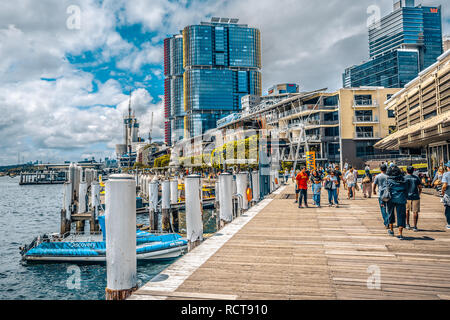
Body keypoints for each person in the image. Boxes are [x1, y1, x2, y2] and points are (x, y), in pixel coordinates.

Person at [386, 165, 408, 239]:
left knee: (390, 213)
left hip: (391, 199)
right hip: (401, 199)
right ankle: (400, 233)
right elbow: (406, 190)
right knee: (401, 215)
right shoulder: (403, 180)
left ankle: (391, 230)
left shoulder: (388, 180)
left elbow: (385, 190)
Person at [404, 166, 422, 231]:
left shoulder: (404, 178)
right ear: (413, 171)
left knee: (407, 211)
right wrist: (419, 193)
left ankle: (407, 224)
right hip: (415, 196)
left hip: (407, 197)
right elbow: (420, 187)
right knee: (415, 212)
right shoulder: (416, 178)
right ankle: (415, 226)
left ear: (406, 171)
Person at [373, 164, 389, 229]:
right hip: (388, 194)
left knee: (383, 208)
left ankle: (386, 222)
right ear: (386, 169)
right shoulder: (388, 176)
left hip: (381, 194)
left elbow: (374, 184)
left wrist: (374, 190)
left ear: (380, 169)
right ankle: (387, 221)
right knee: (388, 209)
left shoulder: (378, 176)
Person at [440, 162, 450, 229]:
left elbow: (444, 185)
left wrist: (442, 192)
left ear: (448, 167)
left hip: (448, 192)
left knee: (448, 209)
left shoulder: (446, 174)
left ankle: (449, 224)